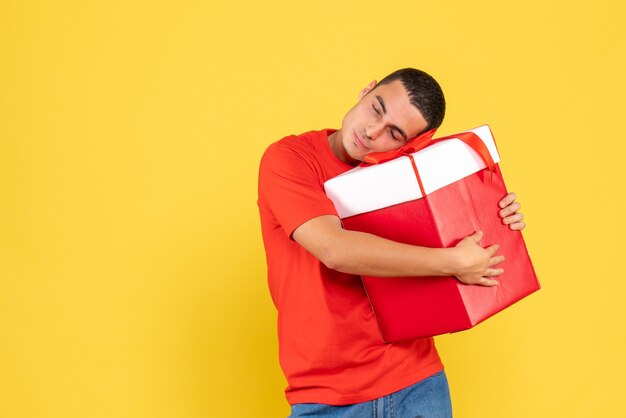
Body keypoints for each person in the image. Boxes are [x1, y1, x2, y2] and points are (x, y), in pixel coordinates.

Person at [257, 68, 525, 418]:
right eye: (376, 108)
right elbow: (334, 250)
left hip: (418, 383)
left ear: (413, 144)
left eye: (394, 133)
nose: (371, 132)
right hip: (327, 397)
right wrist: (453, 261)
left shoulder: (409, 178)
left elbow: (467, 247)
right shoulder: (290, 158)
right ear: (366, 90)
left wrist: (499, 216)